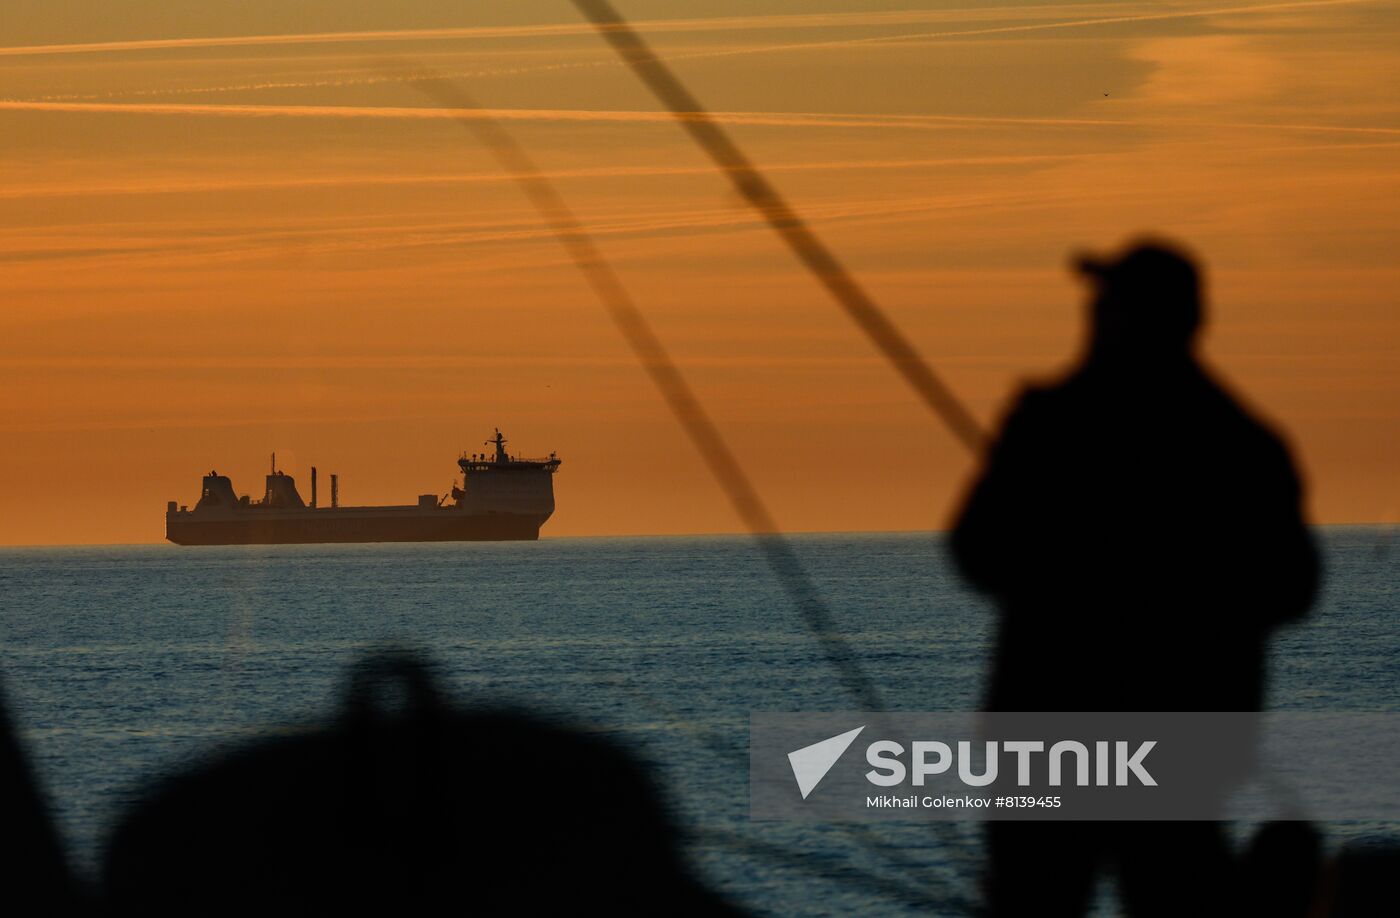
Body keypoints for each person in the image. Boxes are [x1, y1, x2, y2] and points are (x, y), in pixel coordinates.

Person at [949, 238, 1320, 916]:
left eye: (1106, 301)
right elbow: (1292, 590)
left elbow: (975, 552)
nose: (1092, 312)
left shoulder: (1050, 424)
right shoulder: (1244, 445)